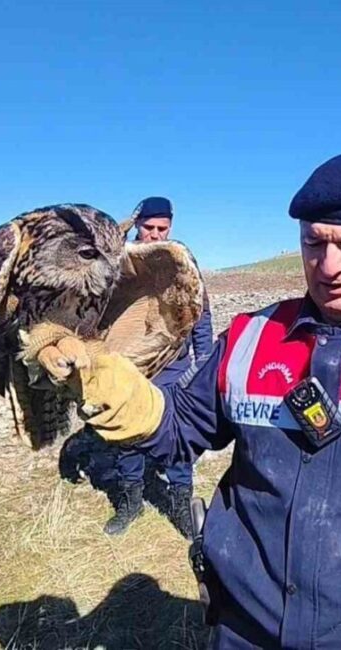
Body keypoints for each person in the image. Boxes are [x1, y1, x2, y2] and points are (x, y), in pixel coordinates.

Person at [25, 153, 341, 649]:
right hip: (243, 627)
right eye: (314, 243)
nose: (329, 266)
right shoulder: (249, 338)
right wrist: (102, 379)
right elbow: (180, 429)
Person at [68, 196, 214, 538]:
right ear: (137, 226)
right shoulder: (116, 264)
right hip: (127, 369)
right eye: (149, 227)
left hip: (174, 372)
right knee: (127, 438)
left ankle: (180, 504)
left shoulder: (180, 262)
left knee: (178, 439)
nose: (155, 235)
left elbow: (200, 318)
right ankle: (130, 503)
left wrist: (203, 364)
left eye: (163, 228)